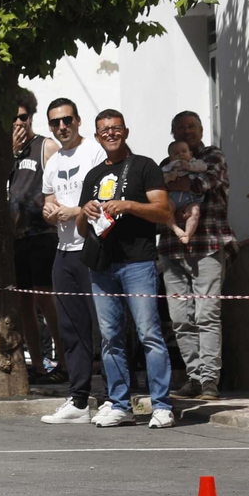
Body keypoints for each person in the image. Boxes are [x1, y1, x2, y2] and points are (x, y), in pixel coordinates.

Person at [76, 109, 175, 429]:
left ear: (126, 131)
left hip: (138, 263)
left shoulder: (145, 166)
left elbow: (163, 212)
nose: (110, 134)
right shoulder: (92, 176)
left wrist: (129, 205)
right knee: (110, 338)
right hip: (102, 266)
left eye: (115, 128)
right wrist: (85, 211)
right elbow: (81, 230)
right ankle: (118, 404)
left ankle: (161, 405)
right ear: (96, 136)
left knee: (149, 334)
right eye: (104, 130)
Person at [39, 98, 107, 424]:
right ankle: (79, 400)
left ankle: (113, 396)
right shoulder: (52, 162)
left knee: (105, 326)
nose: (62, 127)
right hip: (63, 251)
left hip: (93, 249)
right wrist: (50, 212)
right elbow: (48, 203)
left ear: (78, 121)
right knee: (71, 329)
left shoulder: (94, 152)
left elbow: (106, 199)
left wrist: (76, 211)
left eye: (67, 120)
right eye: (55, 123)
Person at [161, 111, 234, 401]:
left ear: (201, 129)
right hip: (171, 248)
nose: (187, 131)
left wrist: (178, 184)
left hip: (207, 244)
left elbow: (204, 183)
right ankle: (193, 377)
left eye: (191, 126)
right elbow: (155, 194)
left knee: (206, 315)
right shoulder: (165, 162)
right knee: (180, 319)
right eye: (181, 128)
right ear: (173, 133)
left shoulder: (213, 156)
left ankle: (209, 382)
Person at [9, 89, 65, 381]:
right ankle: (38, 365)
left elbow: (60, 183)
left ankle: (64, 360)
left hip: (42, 234)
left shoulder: (45, 146)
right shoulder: (6, 153)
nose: (19, 122)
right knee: (24, 304)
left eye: (23, 116)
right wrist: (9, 152)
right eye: (14, 118)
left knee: (46, 299)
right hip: (15, 237)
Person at [162, 141, 203, 246]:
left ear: (191, 154)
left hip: (192, 197)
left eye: (184, 151)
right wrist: (169, 177)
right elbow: (162, 177)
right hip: (174, 197)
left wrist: (189, 167)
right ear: (171, 158)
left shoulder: (194, 163)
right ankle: (176, 229)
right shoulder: (169, 166)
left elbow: (204, 167)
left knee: (194, 213)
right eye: (176, 153)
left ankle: (188, 234)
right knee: (165, 209)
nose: (180, 154)